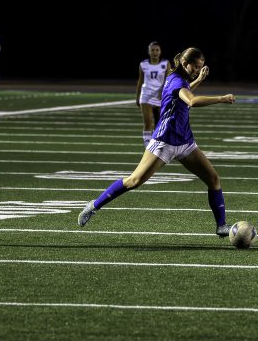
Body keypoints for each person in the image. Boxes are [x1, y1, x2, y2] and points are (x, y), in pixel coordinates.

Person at [78, 47, 235, 236]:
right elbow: (191, 101)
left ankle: (221, 226)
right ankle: (94, 205)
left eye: (200, 67)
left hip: (185, 142)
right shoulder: (177, 80)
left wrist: (199, 79)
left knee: (213, 179)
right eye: (195, 67)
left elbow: (184, 93)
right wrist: (221, 98)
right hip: (164, 141)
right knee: (134, 181)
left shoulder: (180, 79)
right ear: (185, 64)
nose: (197, 70)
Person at [135, 41, 169, 145]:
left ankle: (156, 145)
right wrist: (137, 96)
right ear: (149, 52)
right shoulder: (143, 64)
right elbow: (140, 81)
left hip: (160, 96)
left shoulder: (165, 64)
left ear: (160, 51)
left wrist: (162, 91)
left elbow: (167, 80)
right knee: (148, 122)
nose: (155, 52)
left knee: (159, 124)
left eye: (157, 50)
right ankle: (147, 147)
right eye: (152, 50)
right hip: (146, 95)